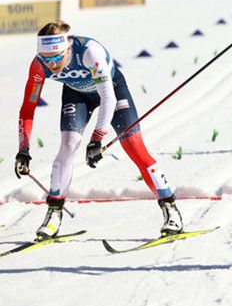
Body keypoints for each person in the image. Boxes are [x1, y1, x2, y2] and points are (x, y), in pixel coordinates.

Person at [14, 22, 183, 239]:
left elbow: (107, 97)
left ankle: (170, 209)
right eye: (46, 59)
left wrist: (97, 138)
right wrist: (24, 149)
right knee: (67, 146)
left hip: (112, 90)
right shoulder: (39, 65)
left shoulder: (89, 52)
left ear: (67, 48)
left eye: (56, 58)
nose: (52, 65)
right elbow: (28, 108)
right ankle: (54, 213)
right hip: (77, 94)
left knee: (134, 146)